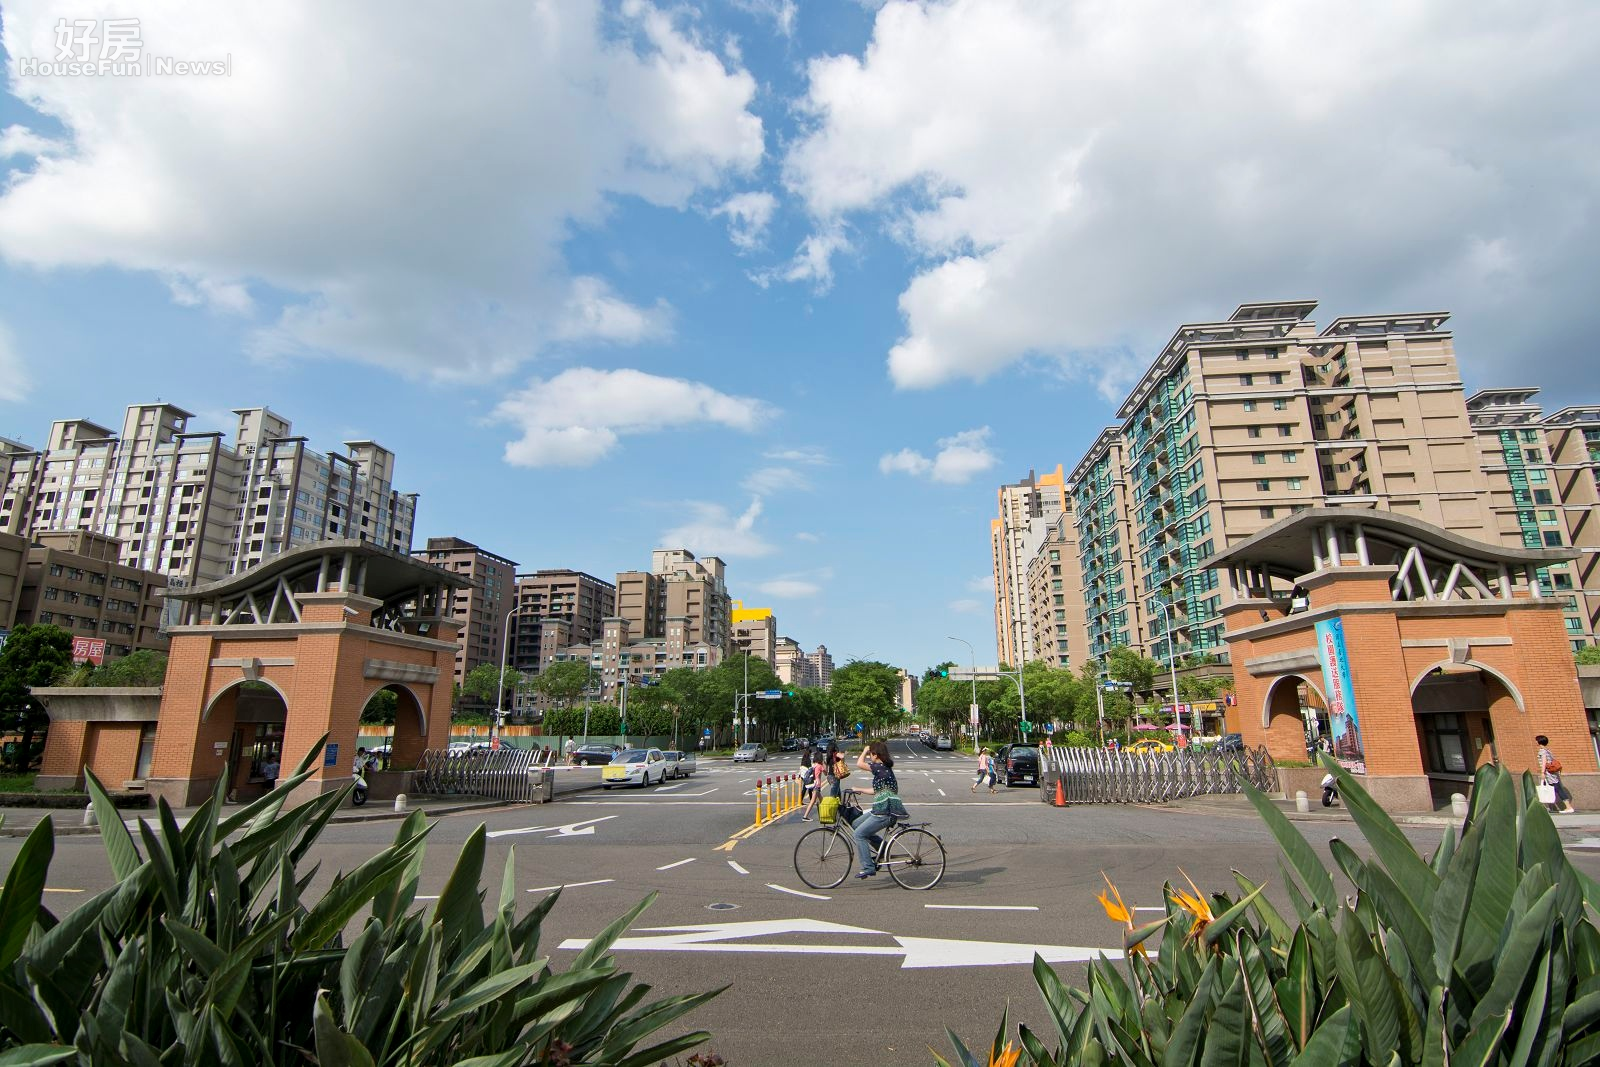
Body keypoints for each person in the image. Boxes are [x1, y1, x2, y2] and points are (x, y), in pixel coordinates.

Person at [852, 740, 908, 879]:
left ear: (875, 755)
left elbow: (859, 764)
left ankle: (868, 867)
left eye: (871, 754)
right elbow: (876, 790)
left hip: (884, 812)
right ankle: (882, 849)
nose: (870, 756)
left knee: (859, 834)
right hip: (881, 810)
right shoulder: (885, 769)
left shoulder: (879, 767)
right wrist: (859, 789)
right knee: (856, 824)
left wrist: (865, 750)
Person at [1536, 734, 1577, 813]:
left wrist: (1542, 772)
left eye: (1536, 740)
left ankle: (1568, 807)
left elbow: (1544, 762)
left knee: (1556, 789)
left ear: (1539, 741)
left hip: (1548, 774)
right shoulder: (1548, 751)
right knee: (1552, 789)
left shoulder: (1542, 751)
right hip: (1553, 773)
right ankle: (1551, 807)